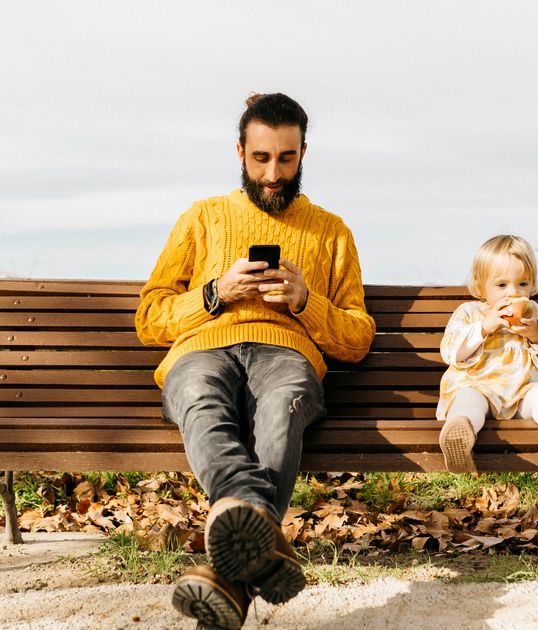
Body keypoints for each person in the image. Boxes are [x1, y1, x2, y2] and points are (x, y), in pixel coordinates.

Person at [135, 93, 375, 630]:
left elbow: (357, 337)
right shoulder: (201, 218)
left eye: (286, 158)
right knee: (199, 399)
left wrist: (304, 301)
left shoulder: (331, 230)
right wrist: (215, 292)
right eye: (261, 158)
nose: (273, 173)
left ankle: (232, 565)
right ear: (239, 152)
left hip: (286, 352)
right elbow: (149, 318)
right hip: (203, 347)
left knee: (283, 408)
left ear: (304, 152)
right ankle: (254, 530)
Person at [436, 234, 538, 473]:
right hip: (479, 388)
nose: (513, 292)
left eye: (522, 284)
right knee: (467, 399)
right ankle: (460, 434)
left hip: (523, 393)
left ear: (532, 285)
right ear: (482, 286)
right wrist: (485, 327)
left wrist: (536, 333)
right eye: (501, 285)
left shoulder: (534, 313)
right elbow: (451, 351)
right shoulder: (471, 312)